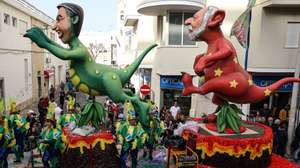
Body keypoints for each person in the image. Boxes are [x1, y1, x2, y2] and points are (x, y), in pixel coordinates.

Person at [117, 101, 146, 168]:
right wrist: (123, 139)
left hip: (134, 146)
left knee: (134, 160)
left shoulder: (138, 126)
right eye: (132, 120)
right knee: (122, 159)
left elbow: (143, 134)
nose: (133, 121)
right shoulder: (124, 126)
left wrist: (140, 139)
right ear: (129, 120)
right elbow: (119, 133)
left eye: (134, 119)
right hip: (126, 145)